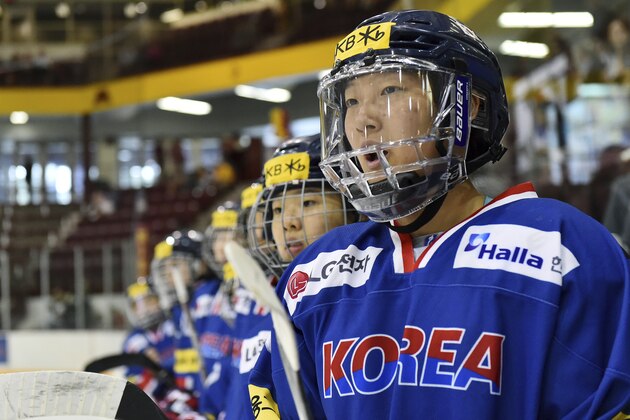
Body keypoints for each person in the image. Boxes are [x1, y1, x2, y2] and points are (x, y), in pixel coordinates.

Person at [249, 10, 630, 419]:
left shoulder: (562, 247)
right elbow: (275, 399)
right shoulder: (315, 273)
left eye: (391, 91)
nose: (363, 121)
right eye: (351, 100)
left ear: (467, 109)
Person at [247, 134, 360, 417]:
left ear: (352, 203)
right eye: (277, 209)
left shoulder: (371, 289)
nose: (288, 223)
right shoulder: (274, 297)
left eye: (308, 203)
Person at [122, 277, 176, 400]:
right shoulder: (134, 340)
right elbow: (152, 362)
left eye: (149, 301)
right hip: (147, 399)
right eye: (137, 306)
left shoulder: (174, 327)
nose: (144, 310)